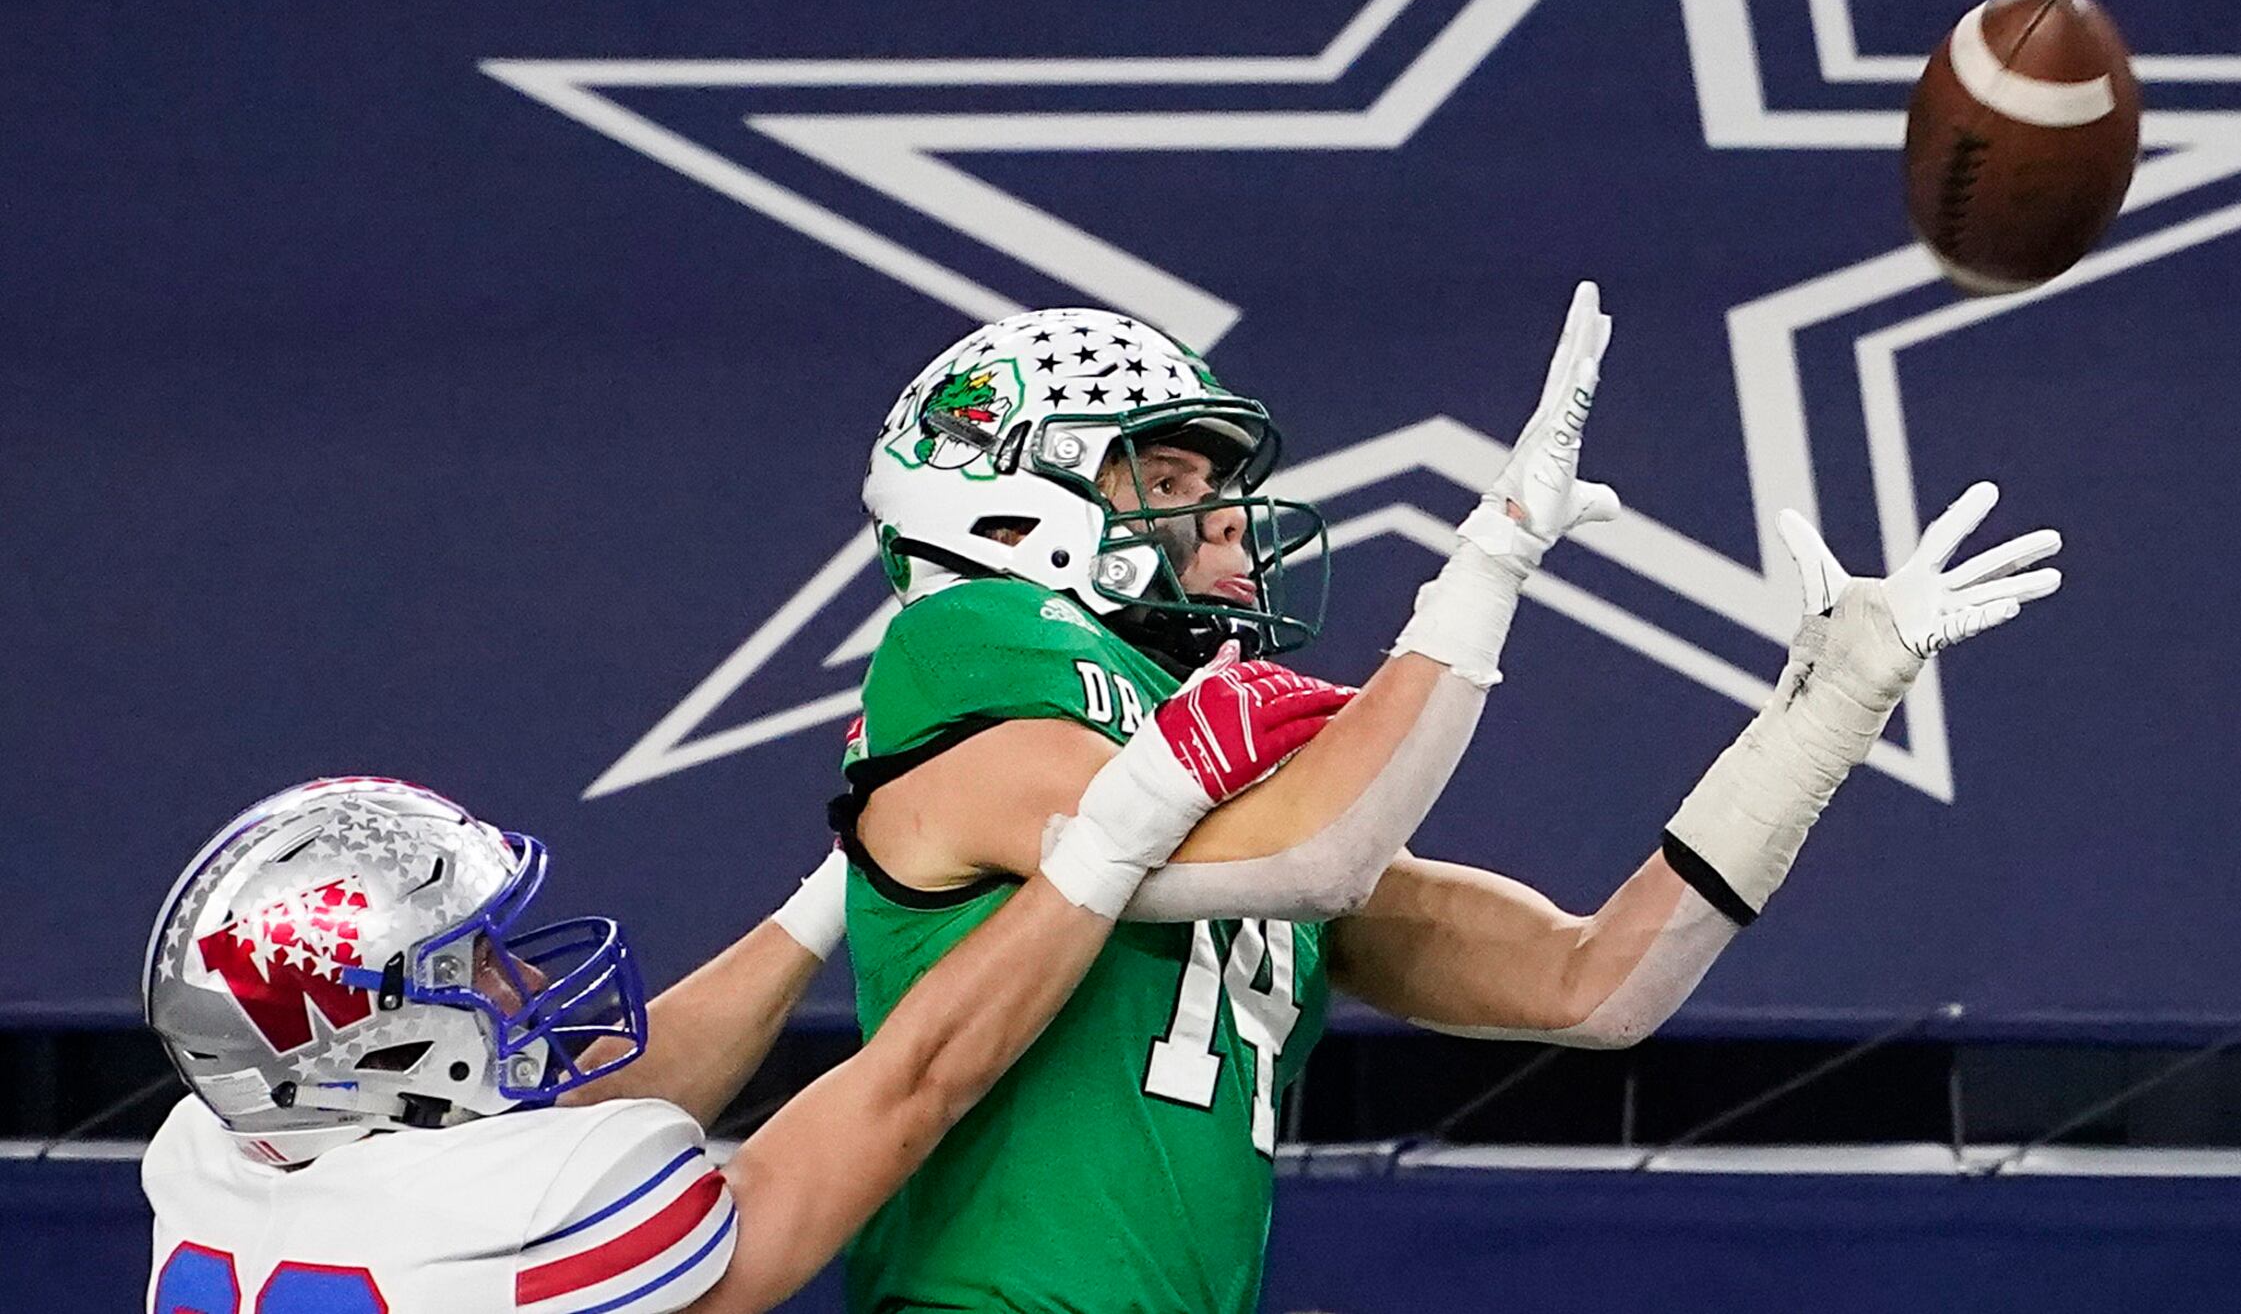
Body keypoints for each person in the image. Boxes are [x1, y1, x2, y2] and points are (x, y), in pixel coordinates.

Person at [832, 284, 2065, 1314]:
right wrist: (1497, 551)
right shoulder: (964, 660)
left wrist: (1821, 721)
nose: (1227, 527)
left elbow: (1590, 984)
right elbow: (1318, 851)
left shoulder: (1213, 802)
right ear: (1005, 505)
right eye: (1164, 478)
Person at [136, 641, 1349, 1314]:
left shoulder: (210, 1151)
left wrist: (834, 891)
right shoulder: (543, 1214)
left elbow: (592, 1104)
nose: (514, 979)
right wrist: (1114, 835)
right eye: (472, 966)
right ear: (377, 1049)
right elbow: (906, 1088)